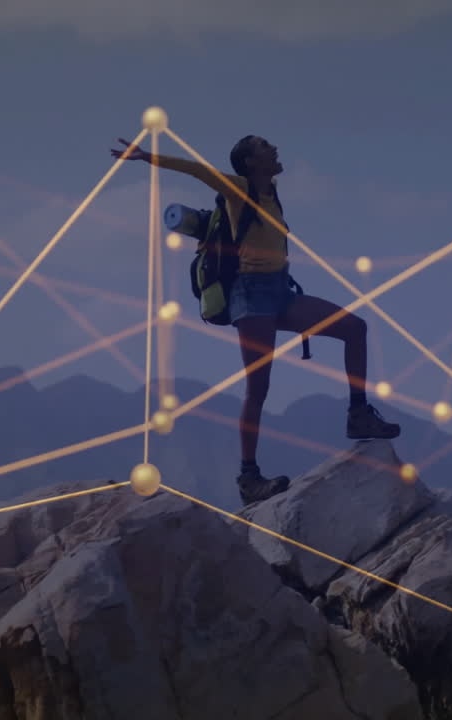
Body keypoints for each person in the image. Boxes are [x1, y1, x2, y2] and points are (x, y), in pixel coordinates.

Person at [110, 135, 400, 504]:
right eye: (264, 146)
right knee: (258, 388)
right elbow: (196, 169)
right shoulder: (238, 188)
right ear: (249, 161)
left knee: (354, 328)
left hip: (281, 291)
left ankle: (358, 415)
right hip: (251, 295)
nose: (274, 147)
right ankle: (249, 477)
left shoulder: (270, 191)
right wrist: (147, 157)